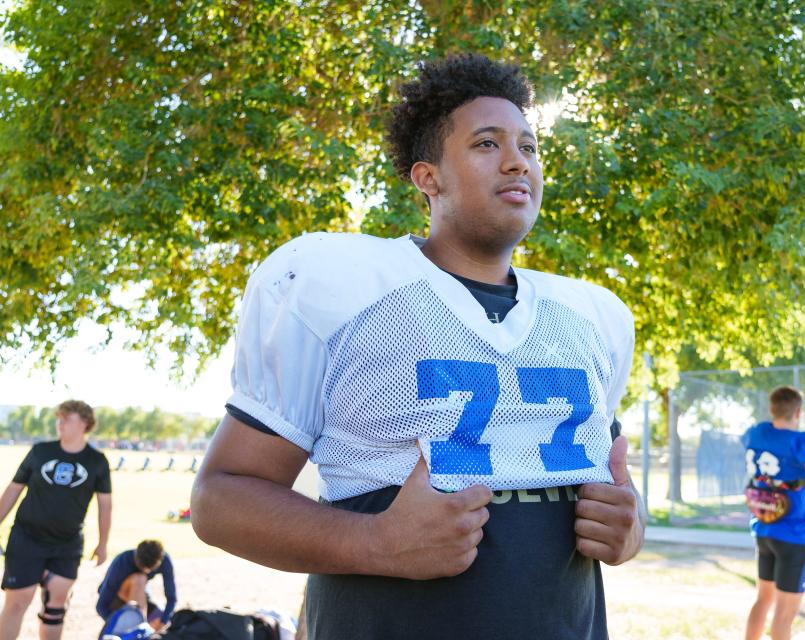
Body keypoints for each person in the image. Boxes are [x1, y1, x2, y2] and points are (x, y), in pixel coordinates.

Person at [191, 53, 643, 640]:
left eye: (529, 147)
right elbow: (219, 500)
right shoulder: (339, 285)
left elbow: (614, 492)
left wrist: (631, 528)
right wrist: (376, 541)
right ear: (427, 177)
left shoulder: (591, 315)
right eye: (486, 144)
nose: (517, 162)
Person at [0, 400, 112, 640]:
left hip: (67, 543)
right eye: (58, 418)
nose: (59, 423)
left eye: (66, 418)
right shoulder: (41, 452)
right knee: (18, 602)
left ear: (84, 423)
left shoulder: (97, 461)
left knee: (55, 607)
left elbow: (105, 506)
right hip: (26, 538)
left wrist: (103, 544)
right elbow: (13, 489)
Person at [741, 386, 805, 640]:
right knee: (784, 615)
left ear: (772, 409)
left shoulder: (757, 433)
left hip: (763, 529)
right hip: (792, 535)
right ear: (798, 411)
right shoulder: (804, 442)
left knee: (762, 601)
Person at [95, 539, 176, 631]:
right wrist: (117, 624)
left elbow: (171, 598)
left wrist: (163, 622)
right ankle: (138, 627)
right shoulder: (122, 561)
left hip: (141, 599)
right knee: (139, 579)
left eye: (149, 569)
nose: (146, 571)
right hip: (117, 600)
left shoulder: (164, 560)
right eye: (142, 567)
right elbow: (101, 606)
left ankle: (141, 627)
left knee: (163, 621)